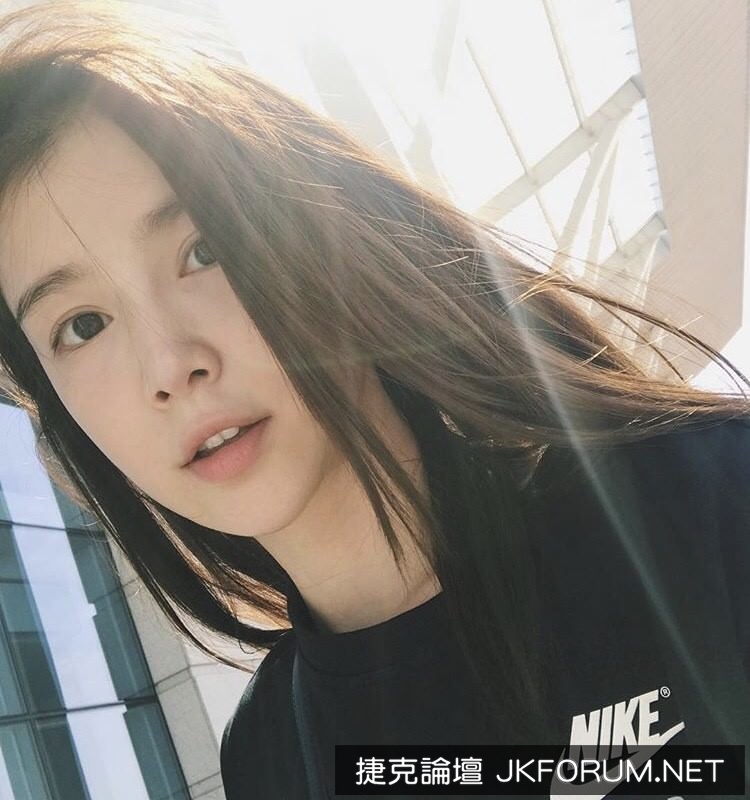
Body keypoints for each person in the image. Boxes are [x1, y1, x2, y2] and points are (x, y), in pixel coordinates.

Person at [0, 3, 747, 799]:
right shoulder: (269, 758)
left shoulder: (702, 502)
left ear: (316, 231)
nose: (170, 365)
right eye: (82, 326)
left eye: (202, 249)